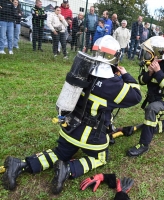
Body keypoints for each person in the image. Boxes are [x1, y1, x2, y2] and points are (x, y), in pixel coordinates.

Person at [2, 35, 142, 194]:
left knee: (59, 153)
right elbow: (136, 95)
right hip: (91, 138)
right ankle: (67, 169)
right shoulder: (115, 85)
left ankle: (20, 164)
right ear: (115, 57)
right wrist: (125, 74)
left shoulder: (81, 71)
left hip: (69, 129)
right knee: (100, 158)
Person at [127, 36, 164, 157]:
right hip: (153, 99)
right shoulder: (149, 64)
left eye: (148, 53)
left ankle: (143, 145)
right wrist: (149, 72)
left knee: (151, 110)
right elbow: (142, 81)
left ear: (157, 53)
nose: (146, 55)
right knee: (151, 128)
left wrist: (158, 72)